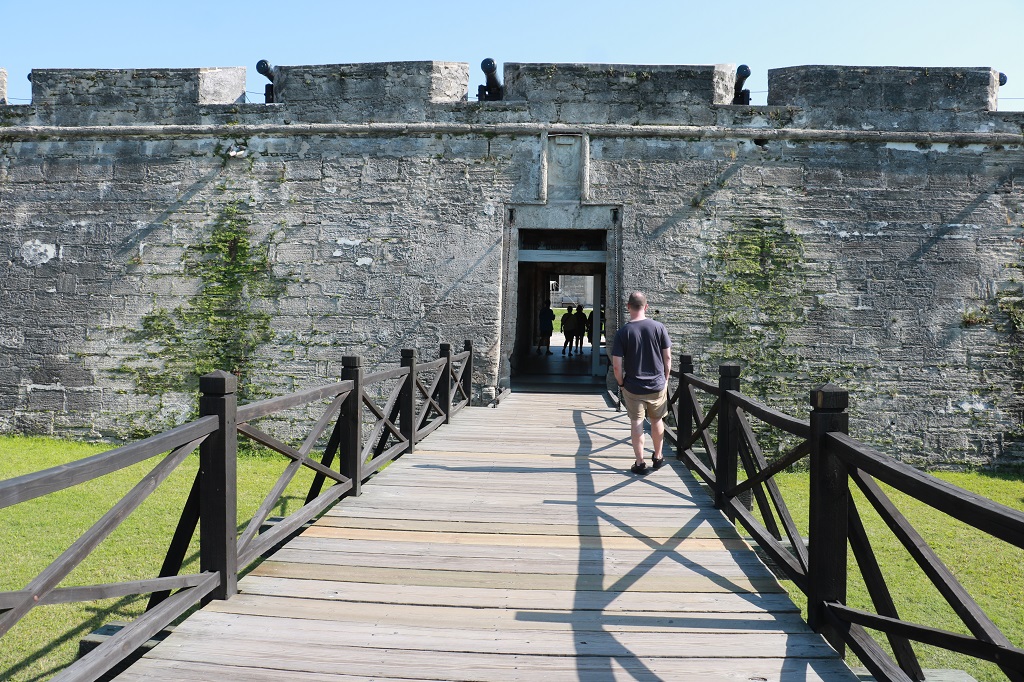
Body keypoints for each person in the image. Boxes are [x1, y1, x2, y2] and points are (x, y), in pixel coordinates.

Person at [611, 291, 672, 475]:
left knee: (636, 422)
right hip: (657, 384)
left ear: (628, 307)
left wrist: (621, 383)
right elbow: (667, 358)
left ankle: (640, 463)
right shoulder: (659, 327)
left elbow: (616, 365)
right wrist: (665, 379)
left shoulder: (623, 332)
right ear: (646, 307)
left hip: (633, 386)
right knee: (657, 420)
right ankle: (658, 456)